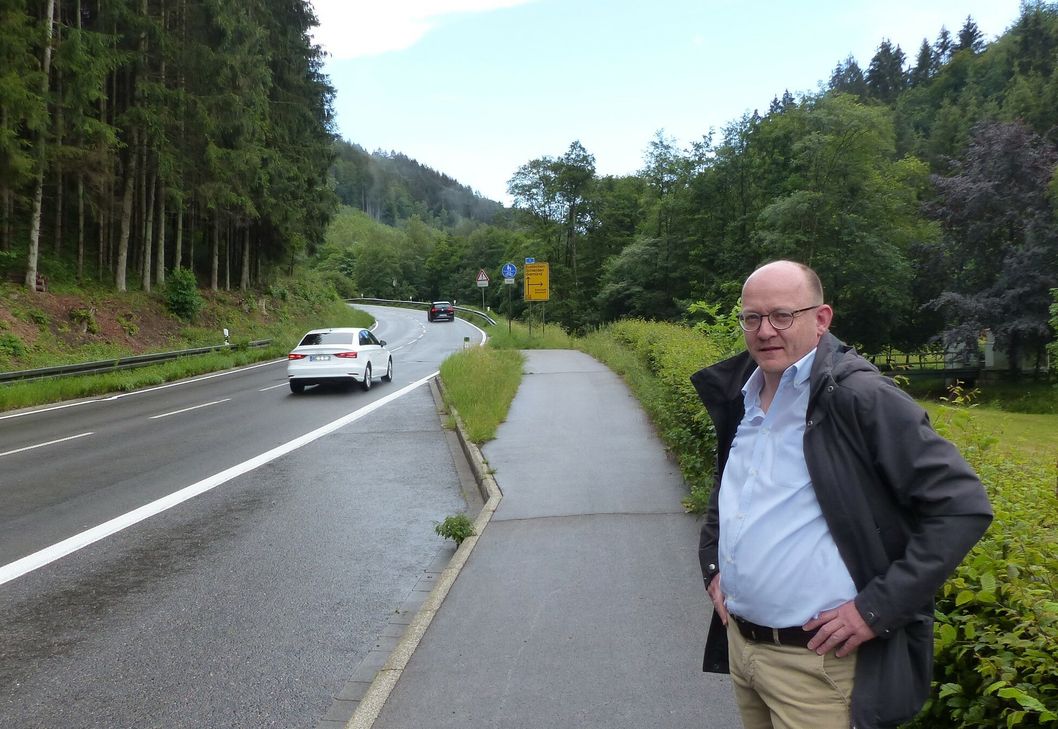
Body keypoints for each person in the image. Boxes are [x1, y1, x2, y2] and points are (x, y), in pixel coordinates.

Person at [690, 260, 993, 729]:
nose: (765, 330)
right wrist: (712, 560)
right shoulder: (742, 395)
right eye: (752, 318)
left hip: (818, 670)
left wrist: (877, 609)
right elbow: (730, 489)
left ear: (822, 318)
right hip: (744, 650)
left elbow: (962, 507)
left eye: (782, 315)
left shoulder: (859, 398)